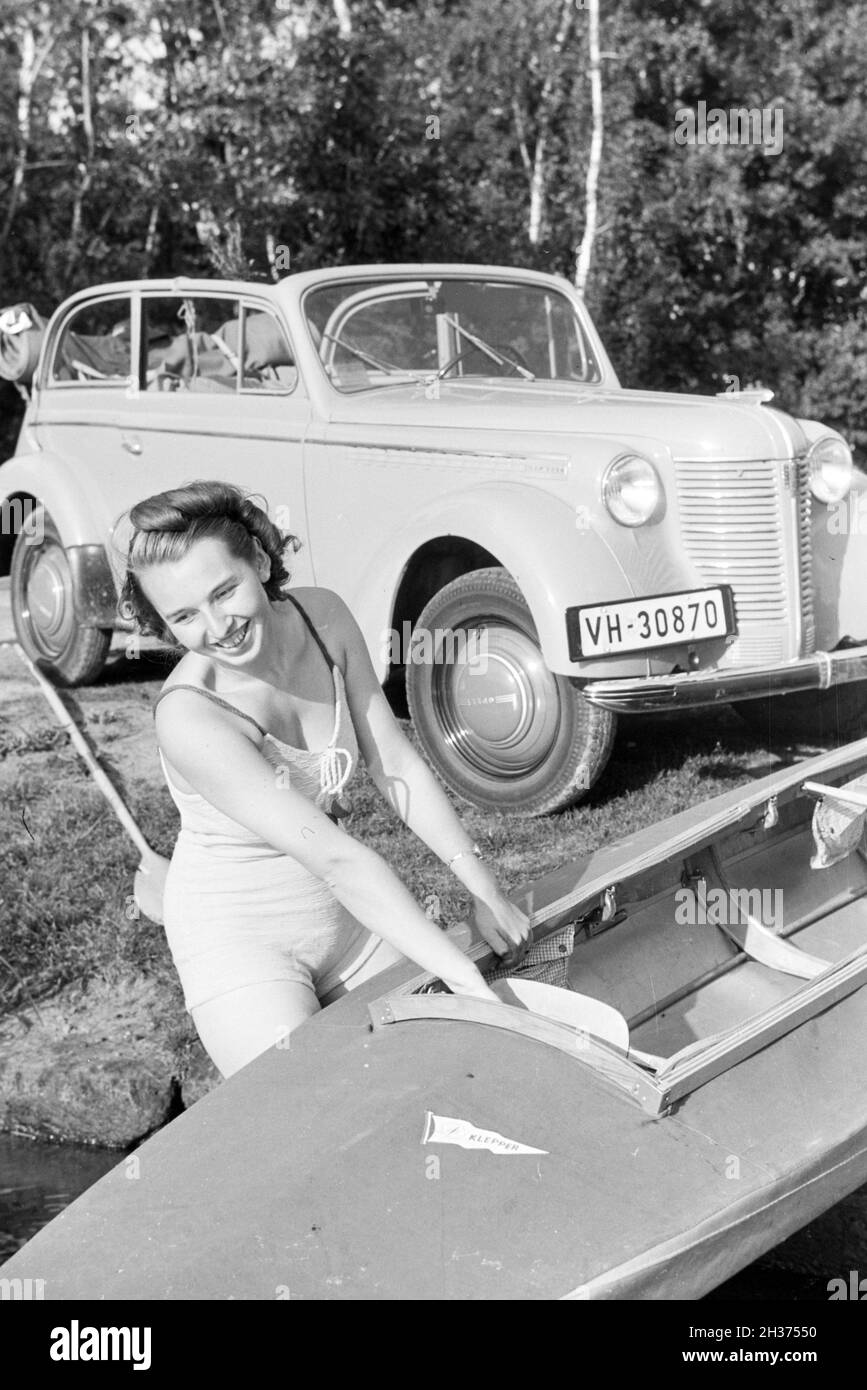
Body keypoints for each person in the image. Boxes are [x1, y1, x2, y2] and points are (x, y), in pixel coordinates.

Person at [119, 481, 531, 1077]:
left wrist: (483, 889)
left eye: (224, 591)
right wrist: (463, 976)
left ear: (259, 562)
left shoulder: (324, 617)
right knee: (320, 1106)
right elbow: (337, 858)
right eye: (184, 616)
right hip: (240, 942)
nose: (217, 626)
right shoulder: (189, 717)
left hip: (346, 924)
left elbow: (393, 761)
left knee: (436, 1072)